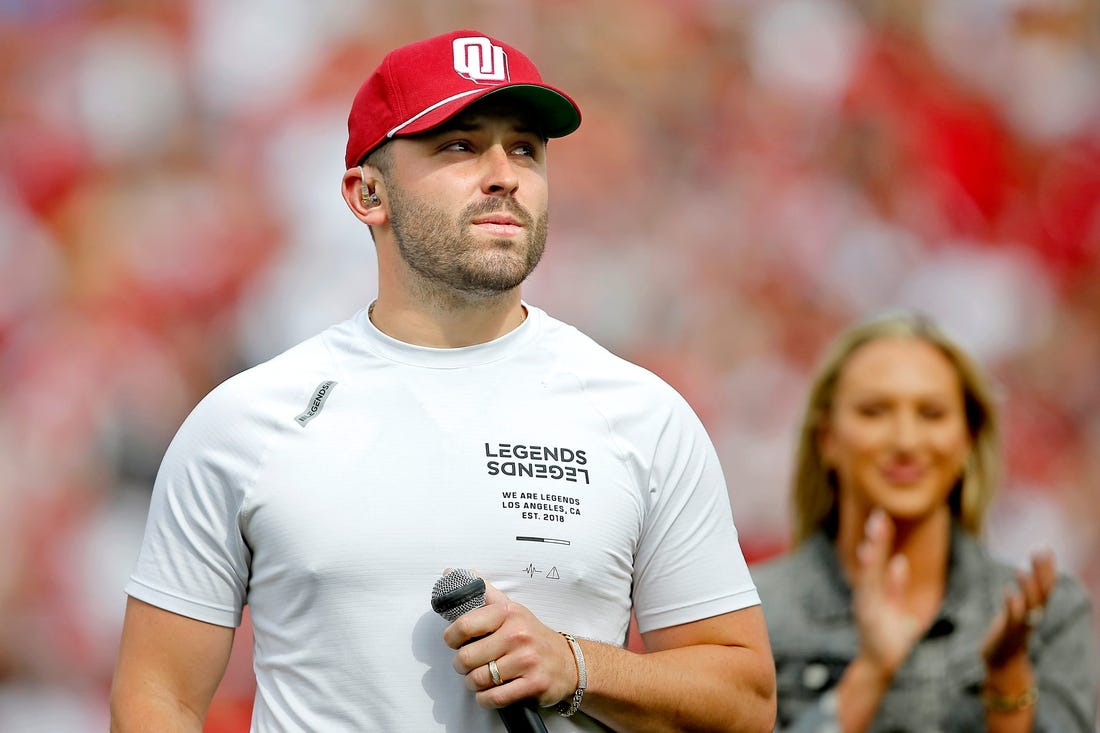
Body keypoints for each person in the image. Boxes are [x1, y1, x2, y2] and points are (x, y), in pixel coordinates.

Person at [108, 29, 776, 732]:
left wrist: (577, 665)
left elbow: (747, 702)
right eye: (458, 145)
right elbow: (156, 696)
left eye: (524, 148)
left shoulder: (642, 414)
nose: (504, 173)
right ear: (368, 193)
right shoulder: (246, 420)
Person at [752, 311, 1097, 732]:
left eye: (932, 413)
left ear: (968, 438)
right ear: (827, 438)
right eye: (874, 411)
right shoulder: (754, 613)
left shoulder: (1050, 617)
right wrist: (869, 674)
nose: (905, 441)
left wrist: (1008, 685)